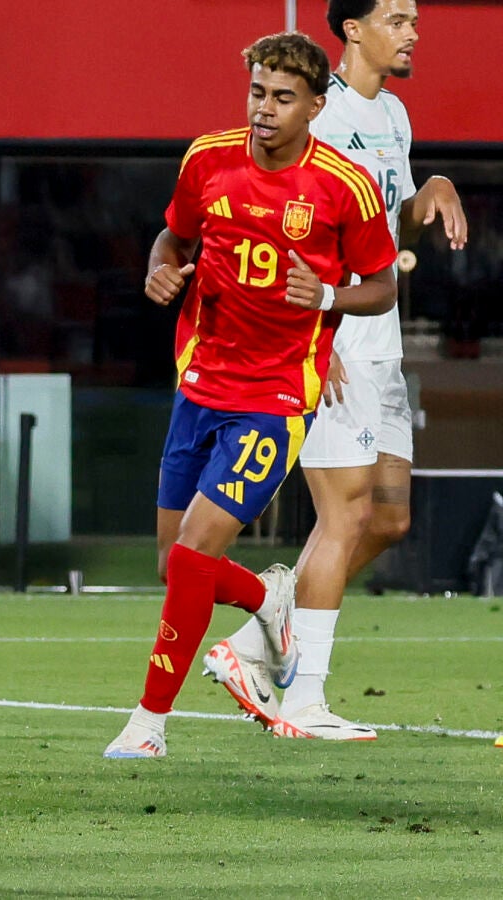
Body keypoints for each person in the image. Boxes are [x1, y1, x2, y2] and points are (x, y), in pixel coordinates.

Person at [104, 31, 398, 759]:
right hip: (200, 381)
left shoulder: (344, 185)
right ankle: (269, 599)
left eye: (283, 97)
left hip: (276, 396)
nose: (264, 109)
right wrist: (160, 269)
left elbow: (383, 287)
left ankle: (148, 725)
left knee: (195, 552)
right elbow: (173, 239)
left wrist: (325, 295)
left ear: (315, 107)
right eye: (258, 93)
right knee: (174, 563)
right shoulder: (207, 159)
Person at [205, 0, 468, 742]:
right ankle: (303, 701)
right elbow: (274, 221)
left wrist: (431, 191)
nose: (413, 32)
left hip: (381, 343)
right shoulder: (317, 117)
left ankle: (255, 638)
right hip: (331, 342)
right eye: (397, 18)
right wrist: (313, 339)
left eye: (413, 19)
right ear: (353, 29)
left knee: (387, 519)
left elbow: (385, 222)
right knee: (343, 515)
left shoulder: (394, 116)